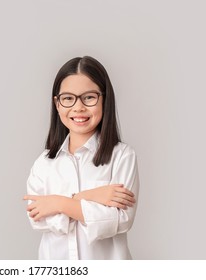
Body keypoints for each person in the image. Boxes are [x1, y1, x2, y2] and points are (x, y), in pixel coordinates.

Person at [23, 56, 140, 260]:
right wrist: (94, 196)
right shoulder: (43, 163)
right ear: (57, 104)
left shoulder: (122, 156)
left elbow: (120, 220)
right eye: (68, 98)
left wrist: (58, 203)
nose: (78, 107)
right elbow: (38, 219)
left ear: (105, 99)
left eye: (89, 97)